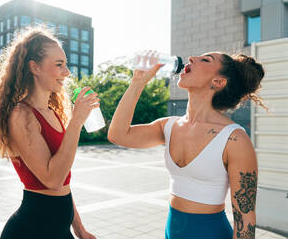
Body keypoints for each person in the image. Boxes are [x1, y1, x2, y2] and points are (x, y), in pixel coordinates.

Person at [108, 52, 265, 239]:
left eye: (205, 60)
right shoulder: (168, 126)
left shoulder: (234, 139)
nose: (191, 58)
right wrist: (138, 82)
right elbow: (118, 135)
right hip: (172, 231)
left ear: (218, 82)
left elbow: (245, 219)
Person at [0, 27, 98, 239]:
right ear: (34, 67)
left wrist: (80, 230)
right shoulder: (21, 115)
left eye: (66, 64)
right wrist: (77, 121)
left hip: (60, 230)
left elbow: (63, 182)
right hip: (31, 231)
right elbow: (52, 179)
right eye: (59, 64)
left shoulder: (53, 113)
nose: (67, 72)